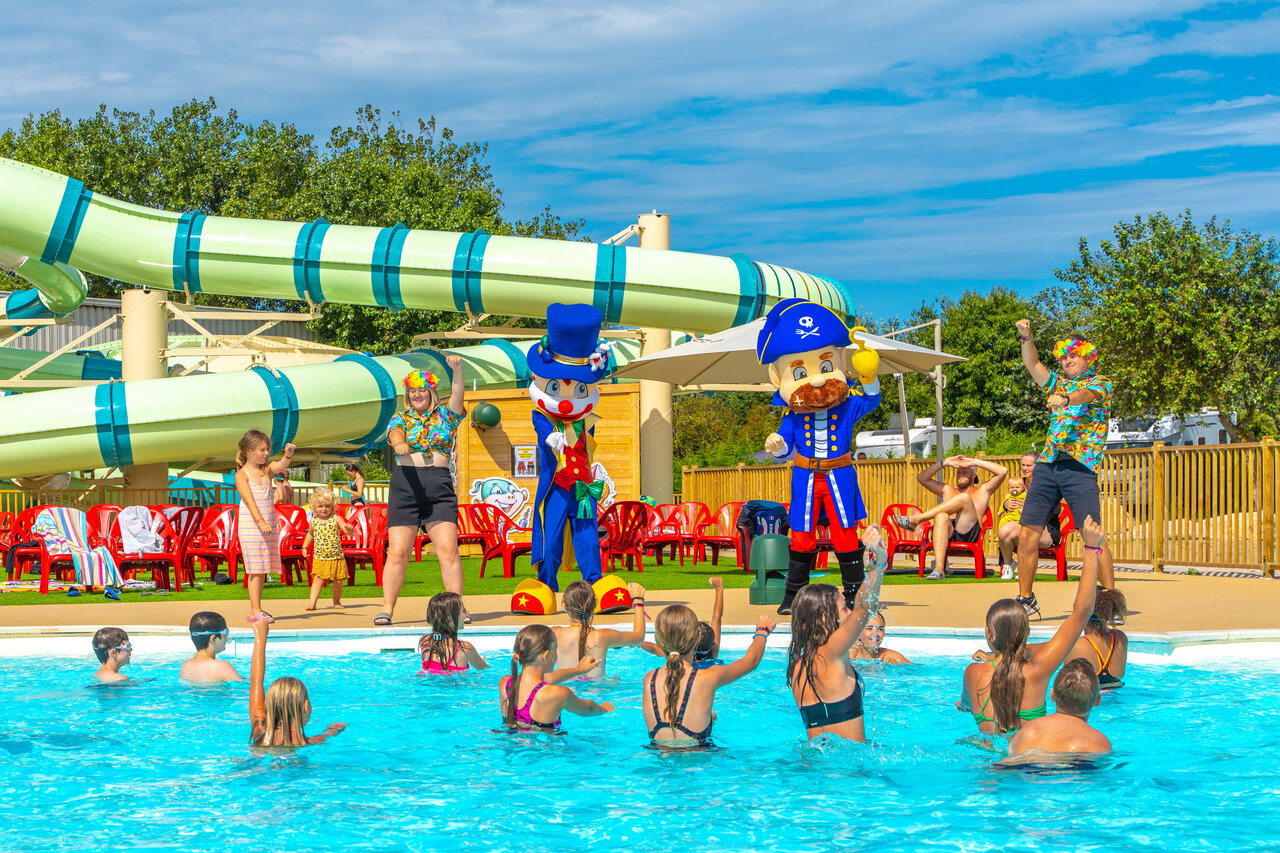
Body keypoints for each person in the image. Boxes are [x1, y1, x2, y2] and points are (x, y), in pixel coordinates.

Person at [962, 516, 1104, 735]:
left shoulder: (971, 673)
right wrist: (1091, 548)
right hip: (1030, 763)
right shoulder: (1038, 669)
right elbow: (1082, 613)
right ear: (1025, 633)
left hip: (987, 763)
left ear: (988, 632)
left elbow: (964, 706)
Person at [1013, 319, 1116, 615]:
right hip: (1047, 464)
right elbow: (1033, 366)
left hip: (1079, 467)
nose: (1068, 361)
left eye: (1073, 356)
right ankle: (1026, 599)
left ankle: (1110, 601)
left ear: (1087, 357)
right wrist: (1027, 338)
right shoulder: (1059, 381)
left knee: (1091, 532)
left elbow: (1085, 396)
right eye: (1064, 357)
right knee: (1027, 532)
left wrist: (1066, 399)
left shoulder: (1100, 383)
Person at [377, 356, 466, 626]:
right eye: (413, 391)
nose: (417, 394)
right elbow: (395, 435)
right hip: (406, 484)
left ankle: (457, 609)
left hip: (437, 483)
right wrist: (400, 444)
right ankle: (387, 608)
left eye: (422, 390)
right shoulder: (399, 418)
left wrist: (457, 370)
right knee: (398, 551)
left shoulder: (446, 416)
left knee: (448, 549)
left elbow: (459, 396)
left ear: (431, 393)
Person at [786, 525, 888, 741]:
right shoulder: (833, 651)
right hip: (847, 770)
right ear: (825, 618)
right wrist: (879, 561)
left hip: (813, 767)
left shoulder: (797, 665)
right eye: (843, 608)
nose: (849, 611)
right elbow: (864, 607)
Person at [642, 606, 776, 749]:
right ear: (696, 637)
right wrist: (762, 631)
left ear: (658, 639)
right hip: (701, 764)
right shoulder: (708, 676)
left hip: (659, 758)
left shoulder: (649, 678)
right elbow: (752, 661)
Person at [891, 454, 1008, 579]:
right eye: (959, 472)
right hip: (946, 532)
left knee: (964, 498)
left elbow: (1003, 471)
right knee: (941, 516)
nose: (961, 474)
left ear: (974, 474)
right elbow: (921, 478)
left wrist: (974, 461)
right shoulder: (948, 490)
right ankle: (939, 569)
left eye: (965, 471)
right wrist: (944, 462)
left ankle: (916, 519)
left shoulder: (983, 490)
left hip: (970, 533)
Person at [249, 619, 346, 747]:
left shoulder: (260, 734)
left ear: (269, 706)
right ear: (305, 706)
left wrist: (260, 635)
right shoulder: (309, 742)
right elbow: (326, 735)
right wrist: (334, 729)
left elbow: (256, 682)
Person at [500, 624, 614, 732]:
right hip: (546, 750)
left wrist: (579, 670)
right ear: (546, 656)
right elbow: (587, 709)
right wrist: (604, 708)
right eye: (556, 650)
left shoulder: (505, 683)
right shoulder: (556, 693)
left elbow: (548, 678)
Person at [234, 429, 295, 624]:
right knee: (256, 568)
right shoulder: (241, 475)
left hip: (267, 524)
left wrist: (288, 455)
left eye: (267, 449)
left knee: (263, 567)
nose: (266, 453)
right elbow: (249, 501)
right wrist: (260, 521)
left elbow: (281, 465)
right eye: (262, 450)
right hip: (253, 524)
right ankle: (255, 610)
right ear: (249, 451)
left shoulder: (266, 470)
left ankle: (257, 608)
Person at [1006, 658, 1111, 757]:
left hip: (1024, 766)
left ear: (1052, 695)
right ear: (1097, 700)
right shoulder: (1099, 742)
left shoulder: (1028, 731)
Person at [553, 580, 647, 677]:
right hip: (598, 690)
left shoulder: (555, 633)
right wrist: (638, 600)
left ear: (565, 606)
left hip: (567, 689)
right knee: (615, 679)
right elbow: (639, 637)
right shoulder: (603, 636)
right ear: (595, 604)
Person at [996, 451, 1064, 581]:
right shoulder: (1018, 483)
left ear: (1038, 466)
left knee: (1026, 532)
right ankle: (1008, 564)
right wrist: (1006, 505)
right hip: (1021, 524)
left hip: (1046, 529)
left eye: (1029, 465)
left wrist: (1030, 510)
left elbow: (1055, 510)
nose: (1025, 468)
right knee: (1004, 530)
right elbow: (1010, 498)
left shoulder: (1047, 485)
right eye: (1023, 465)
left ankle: (1026, 569)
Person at [641, 576, 724, 668]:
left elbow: (653, 648)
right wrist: (719, 588)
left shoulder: (676, 655)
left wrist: (638, 643)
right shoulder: (714, 653)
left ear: (689, 643)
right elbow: (717, 618)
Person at [303, 487, 355, 612]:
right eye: (320, 506)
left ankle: (336, 601)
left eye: (327, 506)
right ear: (314, 507)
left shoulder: (336, 519)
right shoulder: (313, 521)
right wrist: (304, 546)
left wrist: (349, 529)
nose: (324, 509)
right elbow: (310, 534)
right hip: (320, 557)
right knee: (317, 580)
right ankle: (312, 603)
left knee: (337, 581)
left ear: (332, 507)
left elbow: (346, 530)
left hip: (336, 556)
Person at [418, 591, 490, 674]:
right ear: (450, 619)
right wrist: (481, 661)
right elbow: (485, 669)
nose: (468, 611)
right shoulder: (465, 648)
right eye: (463, 610)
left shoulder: (424, 642)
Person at [180, 612, 243, 683]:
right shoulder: (223, 667)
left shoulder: (185, 666)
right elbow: (245, 689)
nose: (226, 637)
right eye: (225, 632)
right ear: (213, 639)